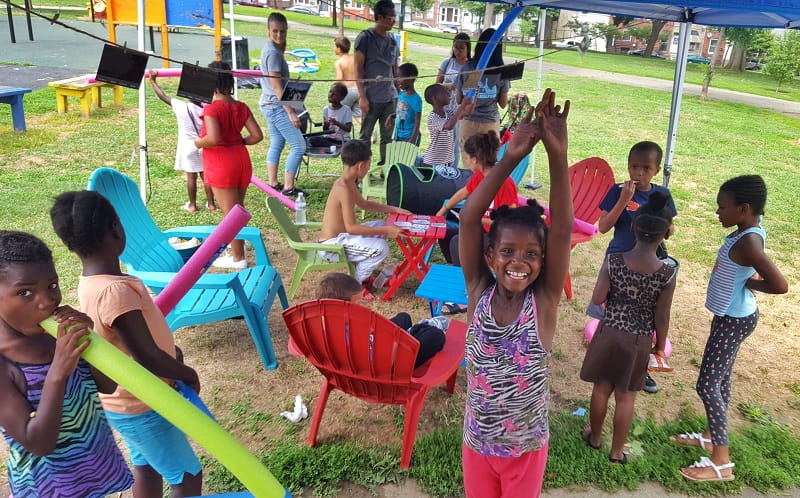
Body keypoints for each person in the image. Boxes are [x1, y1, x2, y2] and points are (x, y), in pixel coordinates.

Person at [50, 191, 205, 497]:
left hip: (124, 405)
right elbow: (146, 356)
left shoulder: (93, 282)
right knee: (187, 476)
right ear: (115, 229)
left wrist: (171, 352)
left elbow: (124, 340)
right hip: (145, 403)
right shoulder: (115, 290)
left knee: (147, 468)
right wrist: (186, 373)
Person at [459, 88, 572, 497]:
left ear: (543, 261)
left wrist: (558, 155)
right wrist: (510, 157)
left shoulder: (542, 305)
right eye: (507, 251)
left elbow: (560, 230)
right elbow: (470, 220)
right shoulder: (478, 292)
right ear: (490, 255)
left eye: (531, 253)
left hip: (525, 450)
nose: (518, 262)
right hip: (476, 445)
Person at [0, 230, 134, 498]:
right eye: (25, 292)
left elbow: (107, 385)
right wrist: (58, 372)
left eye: (52, 285)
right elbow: (38, 442)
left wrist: (91, 339)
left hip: (94, 467)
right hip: (50, 488)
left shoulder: (56, 336)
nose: (47, 301)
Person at [675, 175, 787, 482]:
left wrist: (749, 283)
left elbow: (780, 285)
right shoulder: (747, 230)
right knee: (720, 379)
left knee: (707, 384)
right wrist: (744, 283)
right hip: (732, 317)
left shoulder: (749, 242)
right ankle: (712, 435)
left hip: (733, 320)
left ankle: (721, 462)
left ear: (744, 208)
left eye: (722, 207)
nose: (717, 212)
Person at [580, 192, 678, 465]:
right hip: (639, 339)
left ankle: (595, 437)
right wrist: (660, 345)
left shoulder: (614, 262)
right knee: (625, 397)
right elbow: (662, 315)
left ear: (633, 227)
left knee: (601, 388)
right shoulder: (667, 273)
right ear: (667, 233)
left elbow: (598, 299)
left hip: (609, 332)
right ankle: (617, 452)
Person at [596, 141, 677, 393]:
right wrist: (623, 201)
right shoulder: (617, 190)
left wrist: (659, 220)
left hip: (648, 266)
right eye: (634, 166)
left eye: (645, 168)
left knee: (645, 318)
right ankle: (606, 360)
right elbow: (603, 227)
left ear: (655, 169)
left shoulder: (661, 195)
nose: (638, 173)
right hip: (618, 262)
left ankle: (643, 369)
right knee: (611, 312)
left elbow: (671, 230)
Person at [319, 140, 411, 301]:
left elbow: (364, 204)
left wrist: (394, 209)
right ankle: (355, 284)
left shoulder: (348, 182)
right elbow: (352, 228)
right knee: (381, 248)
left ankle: (362, 273)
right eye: (369, 165)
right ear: (361, 165)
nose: (369, 169)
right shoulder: (343, 189)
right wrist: (387, 231)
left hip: (342, 238)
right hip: (331, 247)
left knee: (381, 224)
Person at [194, 60, 263, 270]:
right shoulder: (241, 106)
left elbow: (212, 139)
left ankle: (238, 257)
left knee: (230, 215)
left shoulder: (212, 109)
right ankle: (237, 248)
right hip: (241, 160)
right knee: (237, 209)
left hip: (221, 163)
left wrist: (197, 142)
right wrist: (239, 141)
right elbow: (257, 136)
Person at [316, 272, 446, 367]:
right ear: (341, 307)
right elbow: (387, 357)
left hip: (369, 352)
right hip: (384, 369)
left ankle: (414, 331)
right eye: (357, 303)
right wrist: (399, 340)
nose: (361, 306)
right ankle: (416, 331)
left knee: (403, 318)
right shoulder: (356, 332)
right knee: (435, 336)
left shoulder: (322, 325)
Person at [436, 130, 518, 268]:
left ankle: (467, 277)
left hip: (498, 237)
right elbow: (464, 192)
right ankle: (456, 268)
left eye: (467, 158)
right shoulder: (479, 176)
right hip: (479, 229)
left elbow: (510, 222)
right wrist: (444, 209)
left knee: (458, 242)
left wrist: (476, 219)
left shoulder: (505, 183)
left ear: (474, 159)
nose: (467, 162)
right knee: (445, 231)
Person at [148, 69, 216, 213]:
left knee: (191, 177)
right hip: (204, 145)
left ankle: (192, 205)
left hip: (188, 147)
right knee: (206, 177)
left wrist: (153, 81)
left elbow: (163, 97)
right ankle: (211, 204)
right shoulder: (208, 109)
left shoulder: (181, 106)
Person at [260, 12, 306, 197]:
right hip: (276, 105)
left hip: (269, 103)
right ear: (268, 30)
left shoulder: (274, 49)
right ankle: (288, 188)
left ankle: (272, 183)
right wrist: (291, 112)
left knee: (277, 143)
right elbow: (276, 86)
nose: (279, 35)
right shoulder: (272, 52)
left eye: (283, 32)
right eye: (275, 31)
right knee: (299, 146)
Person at [455, 28, 509, 169]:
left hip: (469, 122)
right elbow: (504, 104)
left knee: (468, 168)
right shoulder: (501, 71)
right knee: (488, 167)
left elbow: (459, 99)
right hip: (490, 124)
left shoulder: (470, 67)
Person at [354, 0, 398, 165]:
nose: (393, 21)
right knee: (365, 138)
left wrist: (398, 90)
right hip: (371, 98)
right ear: (379, 17)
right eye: (391, 17)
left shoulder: (393, 39)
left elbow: (395, 67)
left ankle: (385, 172)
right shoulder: (365, 38)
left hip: (390, 98)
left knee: (387, 138)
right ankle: (362, 172)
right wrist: (362, 96)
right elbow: (357, 69)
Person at [419, 83, 474, 168]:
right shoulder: (433, 117)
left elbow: (467, 112)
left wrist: (475, 95)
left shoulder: (448, 113)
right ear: (435, 99)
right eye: (445, 92)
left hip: (446, 160)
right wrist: (463, 105)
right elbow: (449, 126)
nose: (449, 94)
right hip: (434, 160)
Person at [437, 32, 470, 167]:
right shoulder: (447, 62)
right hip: (445, 108)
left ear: (468, 48)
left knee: (455, 143)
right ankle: (439, 169)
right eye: (455, 47)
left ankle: (452, 170)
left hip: (459, 110)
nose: (458, 51)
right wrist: (447, 85)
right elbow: (436, 84)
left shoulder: (470, 66)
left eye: (461, 48)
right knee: (442, 141)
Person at [309, 83, 353, 149]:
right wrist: (326, 125)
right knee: (312, 139)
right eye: (330, 92)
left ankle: (339, 145)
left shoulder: (346, 109)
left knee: (350, 143)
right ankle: (336, 146)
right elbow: (325, 131)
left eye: (334, 94)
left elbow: (348, 129)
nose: (330, 95)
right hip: (329, 138)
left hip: (342, 139)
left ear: (342, 97)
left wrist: (336, 123)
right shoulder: (326, 109)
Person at [389, 63, 422, 144]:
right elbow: (401, 113)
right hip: (398, 135)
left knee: (408, 157)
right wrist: (391, 116)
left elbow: (417, 121)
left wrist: (413, 139)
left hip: (409, 137)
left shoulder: (416, 99)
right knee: (396, 156)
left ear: (411, 78)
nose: (397, 80)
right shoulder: (401, 95)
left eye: (400, 77)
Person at [333, 36, 362, 125]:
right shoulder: (354, 60)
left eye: (334, 46)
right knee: (358, 116)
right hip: (358, 90)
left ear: (339, 49)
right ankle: (371, 133)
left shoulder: (339, 62)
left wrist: (333, 88)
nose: (333, 48)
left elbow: (339, 78)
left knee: (339, 113)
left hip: (347, 91)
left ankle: (337, 135)